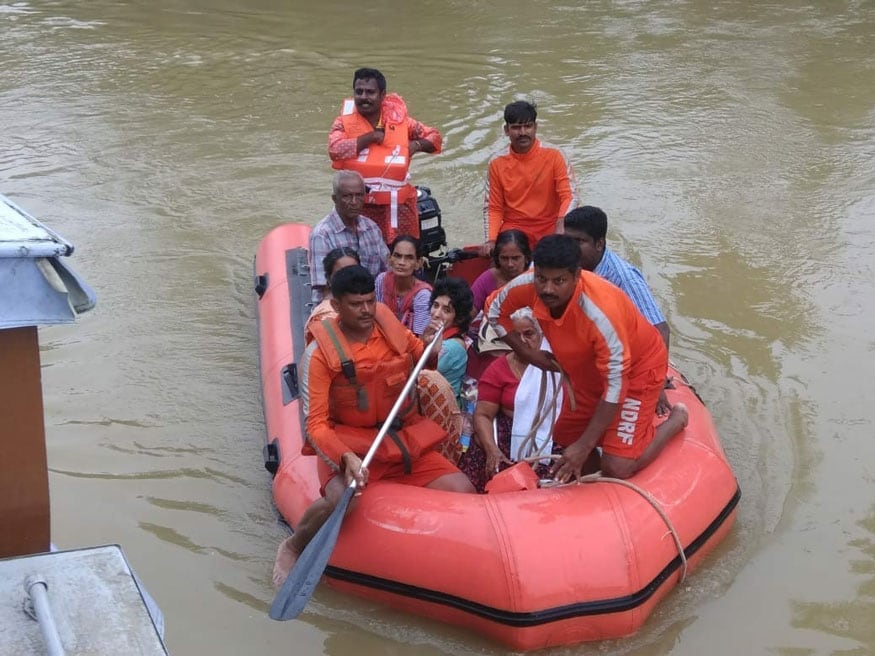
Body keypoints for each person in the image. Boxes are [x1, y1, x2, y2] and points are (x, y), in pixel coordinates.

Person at [272, 266, 475, 588]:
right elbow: (316, 426)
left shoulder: (391, 328)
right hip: (354, 446)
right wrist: (345, 458)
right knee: (342, 498)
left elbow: (422, 363)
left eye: (369, 301)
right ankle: (294, 545)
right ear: (337, 307)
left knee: (463, 490)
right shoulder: (318, 355)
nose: (366, 310)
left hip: (400, 438)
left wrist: (430, 347)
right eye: (356, 304)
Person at [487, 234, 688, 483]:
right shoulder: (525, 285)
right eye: (542, 279)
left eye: (559, 280)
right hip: (586, 366)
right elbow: (494, 311)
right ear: (534, 272)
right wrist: (528, 354)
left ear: (577, 275)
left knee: (616, 467)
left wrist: (584, 446)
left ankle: (676, 421)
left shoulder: (601, 315)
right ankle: (592, 485)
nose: (548, 289)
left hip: (637, 366)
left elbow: (616, 387)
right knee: (566, 436)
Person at [563, 206, 672, 414]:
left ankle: (677, 417)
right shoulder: (569, 267)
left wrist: (656, 385)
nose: (570, 247)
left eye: (579, 242)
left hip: (626, 356)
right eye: (567, 239)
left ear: (599, 244)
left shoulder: (624, 278)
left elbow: (661, 329)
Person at [329, 67, 443, 243]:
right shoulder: (342, 122)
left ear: (382, 95)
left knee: (402, 253)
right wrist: (371, 137)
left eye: (370, 92)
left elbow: (435, 138)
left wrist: (415, 145)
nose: (364, 97)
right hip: (358, 204)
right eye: (359, 92)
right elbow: (335, 150)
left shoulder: (401, 122)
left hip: (398, 206)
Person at [458, 308, 557, 492]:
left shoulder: (557, 367)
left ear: (541, 333)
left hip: (550, 443)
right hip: (507, 446)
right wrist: (492, 450)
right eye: (515, 336)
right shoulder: (498, 370)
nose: (522, 341)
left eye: (529, 334)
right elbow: (482, 415)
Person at [481, 100, 578, 255]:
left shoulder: (555, 155)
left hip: (551, 226)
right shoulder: (496, 162)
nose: (523, 132)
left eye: (528, 126)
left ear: (535, 127)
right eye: (516, 127)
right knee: (498, 265)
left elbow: (570, 196)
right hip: (514, 229)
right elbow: (493, 207)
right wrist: (491, 240)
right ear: (506, 130)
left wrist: (561, 225)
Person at [309, 171, 389, 303]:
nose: (354, 202)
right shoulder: (322, 235)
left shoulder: (372, 228)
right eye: (347, 196)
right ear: (335, 199)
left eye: (359, 195)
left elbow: (387, 270)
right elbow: (325, 290)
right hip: (337, 305)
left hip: (370, 302)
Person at [427, 278, 474, 403]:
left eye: (446, 310)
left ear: (459, 318)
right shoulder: (437, 336)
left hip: (443, 413)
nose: (436, 314)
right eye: (435, 305)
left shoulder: (452, 348)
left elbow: (418, 371)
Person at [375, 235, 432, 335]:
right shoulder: (382, 280)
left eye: (409, 258)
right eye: (397, 256)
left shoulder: (423, 295)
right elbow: (375, 318)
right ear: (389, 258)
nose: (401, 262)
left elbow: (420, 337)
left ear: (418, 263)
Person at [305, 246, 361, 342]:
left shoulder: (367, 304)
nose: (348, 278)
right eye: (341, 274)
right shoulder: (324, 317)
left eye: (353, 271)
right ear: (328, 278)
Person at [470, 229, 532, 315]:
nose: (510, 264)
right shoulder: (487, 279)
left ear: (526, 258)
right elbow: (467, 314)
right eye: (504, 258)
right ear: (497, 259)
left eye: (516, 258)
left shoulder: (536, 277)